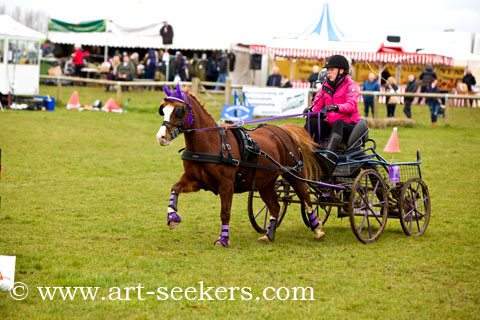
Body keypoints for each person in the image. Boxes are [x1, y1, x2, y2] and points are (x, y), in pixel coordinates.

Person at [306, 55, 361, 152]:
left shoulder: (351, 85)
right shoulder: (325, 86)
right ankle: (304, 149)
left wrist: (336, 107)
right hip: (331, 127)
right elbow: (317, 104)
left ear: (341, 71)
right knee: (312, 120)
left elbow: (351, 105)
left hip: (349, 127)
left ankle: (329, 154)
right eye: (328, 70)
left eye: (332, 69)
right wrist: (310, 110)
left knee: (338, 123)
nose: (329, 72)